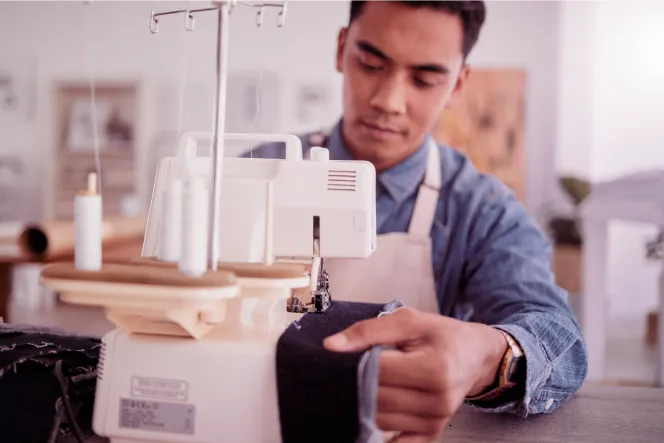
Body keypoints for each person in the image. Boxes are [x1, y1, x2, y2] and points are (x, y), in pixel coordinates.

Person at [248, 0, 588, 441]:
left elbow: (561, 340)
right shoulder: (258, 172)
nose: (388, 101)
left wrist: (484, 358)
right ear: (340, 48)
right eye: (370, 63)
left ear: (458, 83)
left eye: (424, 79)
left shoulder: (481, 209)